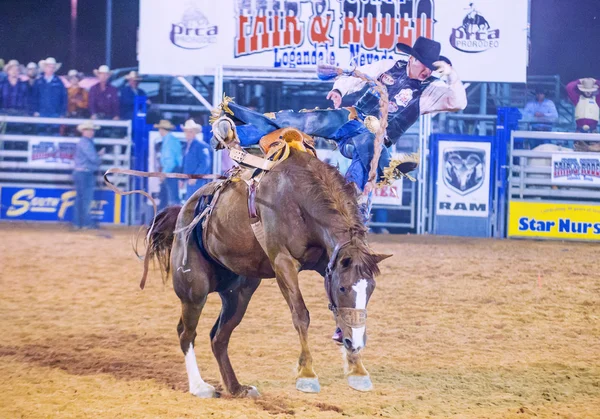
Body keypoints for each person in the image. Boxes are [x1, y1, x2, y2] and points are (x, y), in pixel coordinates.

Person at [211, 37, 467, 191]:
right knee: (299, 120)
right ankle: (235, 133)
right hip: (350, 118)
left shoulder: (431, 90)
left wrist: (452, 76)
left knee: (362, 164)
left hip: (374, 139)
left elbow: (459, 102)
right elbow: (356, 75)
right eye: (425, 64)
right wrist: (337, 90)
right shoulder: (389, 65)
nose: (427, 70)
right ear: (412, 58)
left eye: (431, 67)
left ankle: (354, 196)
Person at [72, 121, 105, 230]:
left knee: (81, 199)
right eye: (90, 130)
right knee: (86, 198)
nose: (92, 132)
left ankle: (78, 223)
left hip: (81, 172)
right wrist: (99, 157)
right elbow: (93, 158)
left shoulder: (84, 142)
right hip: (85, 173)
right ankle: (85, 223)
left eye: (92, 130)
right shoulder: (86, 143)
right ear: (84, 131)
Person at [181, 119, 212, 200]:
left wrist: (195, 176)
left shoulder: (201, 146)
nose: (187, 133)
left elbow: (205, 163)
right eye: (186, 131)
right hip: (191, 180)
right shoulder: (188, 145)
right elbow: (185, 163)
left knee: (195, 202)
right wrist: (182, 179)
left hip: (198, 181)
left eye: (190, 131)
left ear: (194, 133)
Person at [154, 119, 183, 208]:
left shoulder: (168, 142)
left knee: (171, 197)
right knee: (171, 195)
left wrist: (164, 173)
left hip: (170, 171)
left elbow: (169, 161)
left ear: (162, 130)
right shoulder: (173, 139)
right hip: (174, 169)